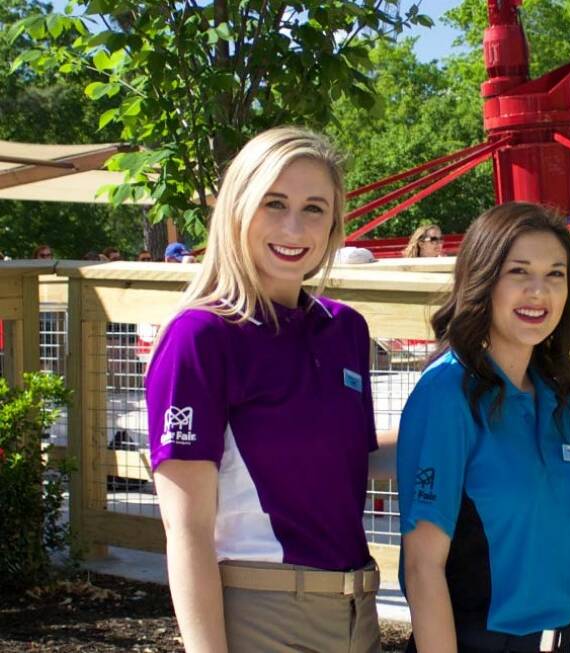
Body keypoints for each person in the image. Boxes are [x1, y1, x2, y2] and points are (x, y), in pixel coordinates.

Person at [145, 127, 391, 653]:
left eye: (314, 208)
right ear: (237, 208)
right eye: (274, 203)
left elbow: (345, 456)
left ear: (334, 223)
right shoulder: (200, 337)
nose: (294, 226)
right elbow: (186, 533)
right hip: (262, 617)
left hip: (359, 614)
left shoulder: (346, 329)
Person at [397, 202, 570, 653]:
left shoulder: (559, 396)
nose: (538, 292)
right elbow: (423, 569)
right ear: (484, 280)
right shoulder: (448, 392)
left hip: (561, 639)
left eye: (556, 274)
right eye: (519, 272)